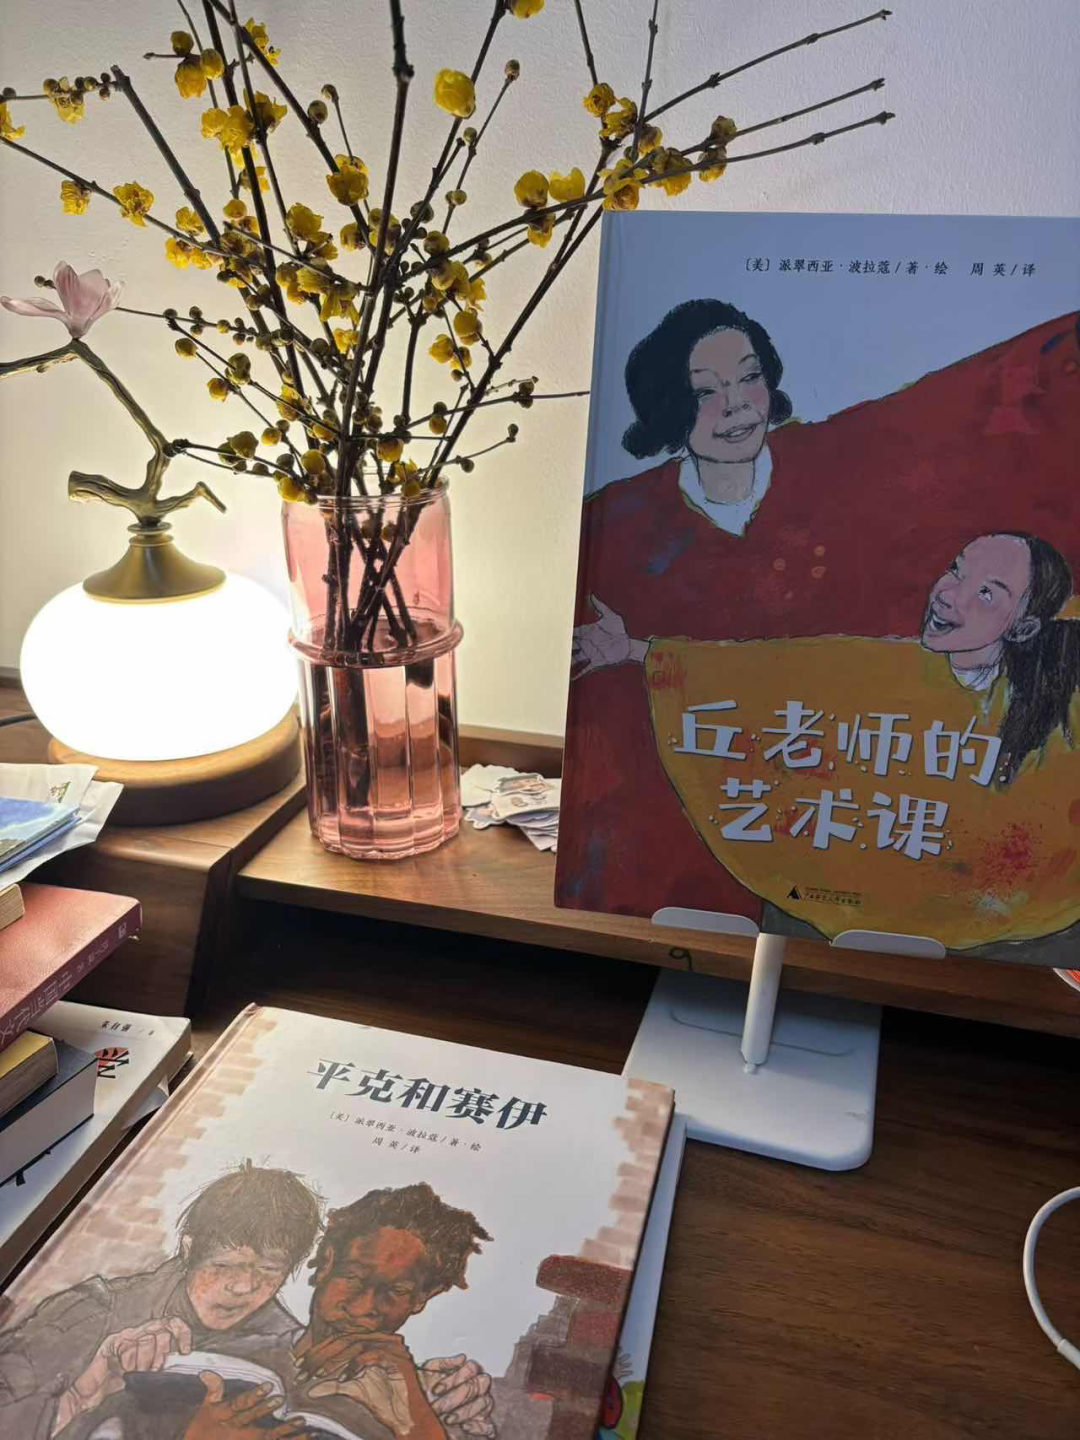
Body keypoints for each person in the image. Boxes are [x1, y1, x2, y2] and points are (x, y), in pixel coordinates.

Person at [557, 303, 1080, 922]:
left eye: (750, 377)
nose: (737, 406)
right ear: (668, 404)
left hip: (855, 797)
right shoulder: (617, 521)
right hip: (709, 813)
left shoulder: (837, 461)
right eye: (706, 392)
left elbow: (967, 406)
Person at [0, 1166, 492, 1440]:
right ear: (190, 1248)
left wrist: (430, 1415)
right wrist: (84, 1393)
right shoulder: (96, 1311)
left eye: (267, 1272)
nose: (242, 1288)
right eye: (227, 1265)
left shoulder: (284, 1347)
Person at [179, 1182, 495, 1440]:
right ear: (327, 1263)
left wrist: (415, 1421)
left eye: (397, 1292)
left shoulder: (430, 1401)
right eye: (353, 1277)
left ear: (422, 1298)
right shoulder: (218, 1355)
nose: (362, 1308)